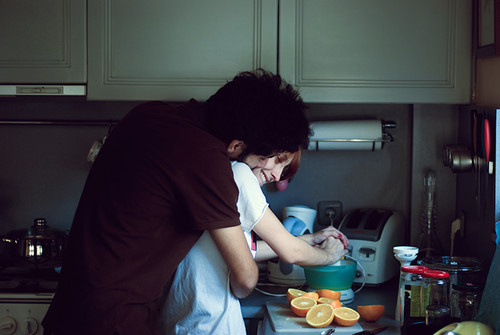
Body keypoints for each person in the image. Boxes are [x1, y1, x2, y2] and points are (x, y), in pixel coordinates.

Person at [42, 69, 312, 335]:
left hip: (69, 312)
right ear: (236, 146)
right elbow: (246, 277)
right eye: (262, 159)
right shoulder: (205, 158)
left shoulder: (146, 114)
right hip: (113, 322)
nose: (264, 170)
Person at [161, 150, 348, 334]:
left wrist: (308, 239)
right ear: (263, 150)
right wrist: (330, 255)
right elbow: (291, 253)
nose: (276, 176)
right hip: (212, 323)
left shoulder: (217, 173)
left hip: (182, 319)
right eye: (279, 161)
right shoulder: (240, 174)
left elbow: (248, 251)